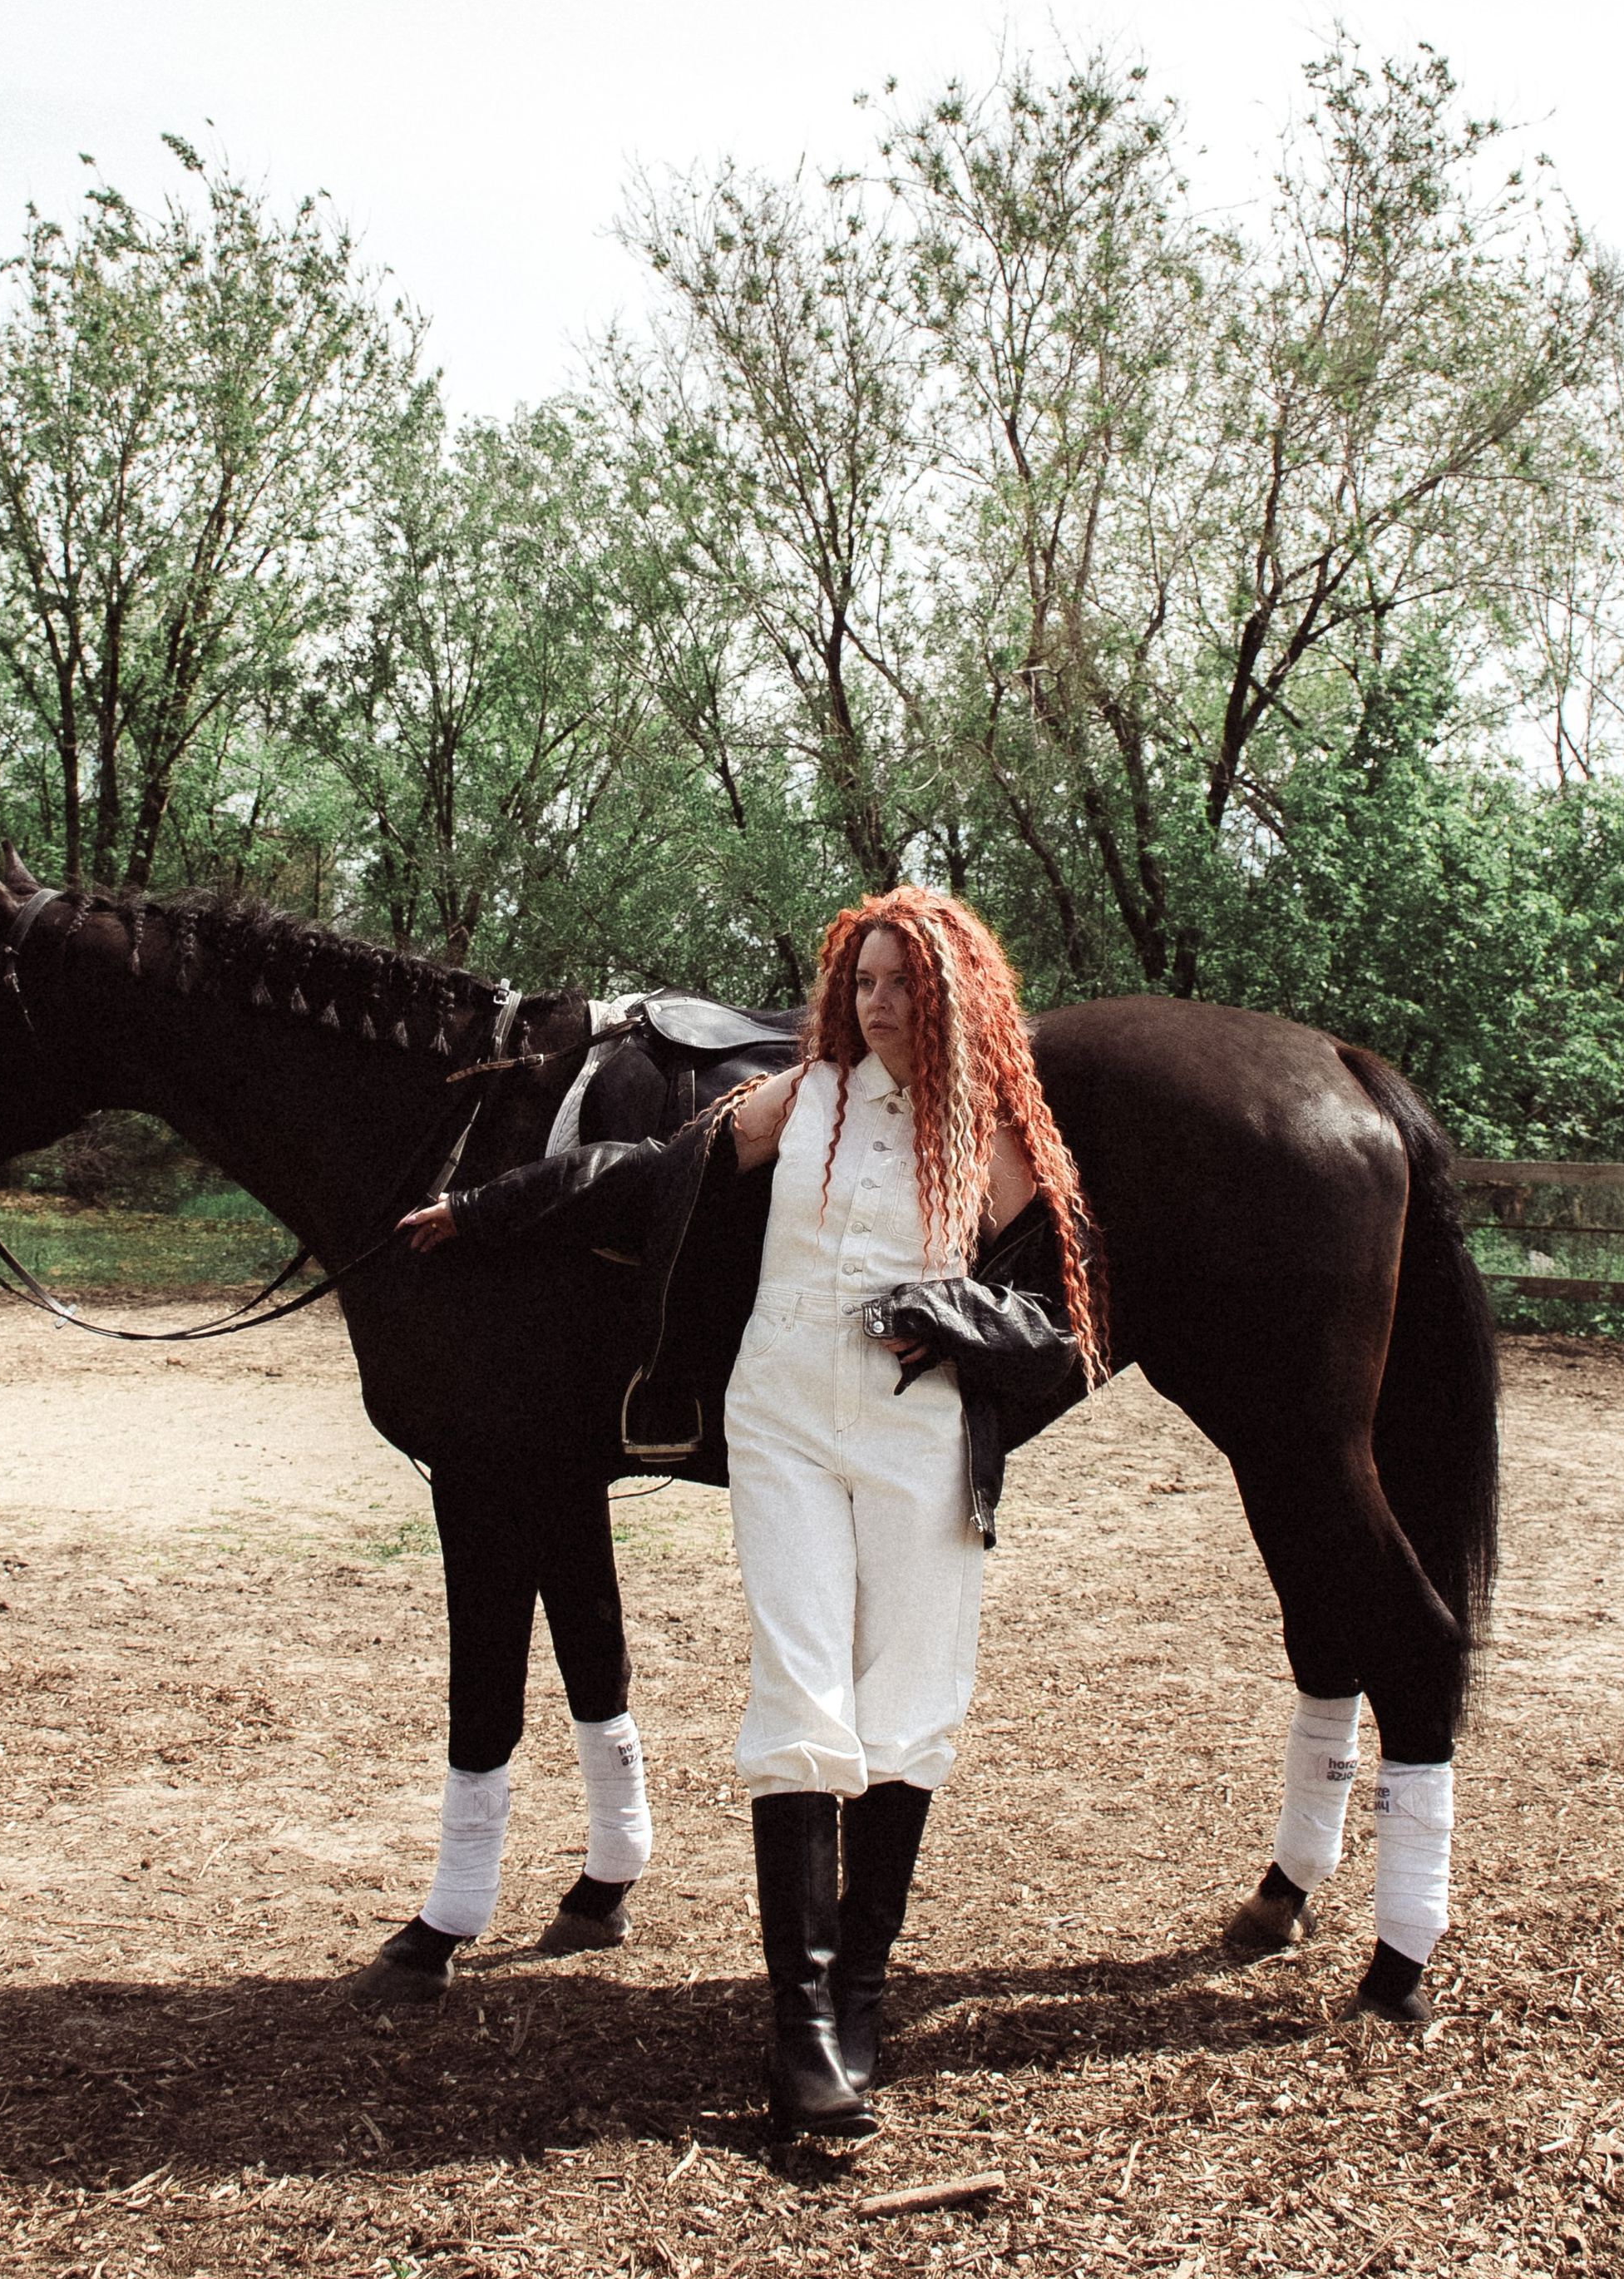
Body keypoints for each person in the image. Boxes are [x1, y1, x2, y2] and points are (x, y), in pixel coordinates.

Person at [400, 890, 1103, 2136]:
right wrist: (485, 1207)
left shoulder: (991, 1133)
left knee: (909, 1702)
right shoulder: (803, 1097)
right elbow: (641, 1175)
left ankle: (864, 2000)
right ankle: (805, 2030)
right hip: (780, 1424)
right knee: (798, 1693)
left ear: (953, 997)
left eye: (904, 984)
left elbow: (1061, 1318)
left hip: (917, 1439)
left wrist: (959, 1319)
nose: (878, 1004)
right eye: (864, 981)